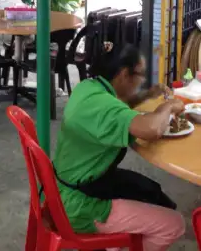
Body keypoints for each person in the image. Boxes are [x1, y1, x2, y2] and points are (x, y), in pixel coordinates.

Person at [53, 44, 185, 251]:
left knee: (151, 192)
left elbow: (116, 107)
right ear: (124, 74)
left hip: (65, 187)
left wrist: (147, 95)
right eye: (140, 75)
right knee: (174, 224)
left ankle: (114, 243)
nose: (142, 81)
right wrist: (168, 107)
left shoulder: (89, 87)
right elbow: (152, 129)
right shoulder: (104, 107)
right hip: (78, 204)